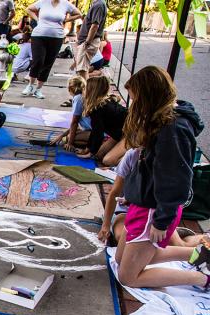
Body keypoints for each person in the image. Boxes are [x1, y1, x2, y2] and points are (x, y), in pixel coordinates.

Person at [115, 66, 207, 290]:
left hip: (153, 211)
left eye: (136, 99)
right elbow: (149, 168)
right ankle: (198, 255)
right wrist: (133, 193)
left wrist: (161, 221)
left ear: (149, 97)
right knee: (120, 259)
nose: (134, 104)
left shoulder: (172, 130)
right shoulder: (163, 122)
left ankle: (204, 279)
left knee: (128, 277)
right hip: (144, 204)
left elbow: (176, 180)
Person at [23, 0, 82, 99]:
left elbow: (79, 14)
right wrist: (37, 19)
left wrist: (65, 20)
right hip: (39, 35)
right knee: (38, 61)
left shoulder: (65, 4)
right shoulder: (43, 2)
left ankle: (38, 89)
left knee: (48, 63)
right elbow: (28, 9)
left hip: (57, 37)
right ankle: (30, 85)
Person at [75, 76, 127, 166]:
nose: (83, 90)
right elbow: (95, 131)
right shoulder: (99, 105)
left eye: (85, 88)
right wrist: (88, 149)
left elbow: (98, 133)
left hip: (132, 134)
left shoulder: (99, 108)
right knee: (99, 155)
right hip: (119, 134)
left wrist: (90, 153)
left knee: (107, 161)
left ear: (91, 91)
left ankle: (134, 159)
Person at [53, 76, 90, 149]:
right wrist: (62, 134)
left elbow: (74, 122)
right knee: (67, 136)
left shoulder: (78, 98)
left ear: (69, 89)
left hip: (97, 132)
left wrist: (70, 143)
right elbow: (77, 124)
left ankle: (101, 143)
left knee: (68, 139)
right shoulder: (83, 95)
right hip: (90, 129)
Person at [74, 0, 106, 80]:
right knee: (82, 70)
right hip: (87, 42)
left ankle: (85, 91)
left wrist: (87, 42)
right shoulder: (97, 4)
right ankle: (84, 91)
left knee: (82, 71)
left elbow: (95, 25)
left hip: (89, 42)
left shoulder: (99, 4)